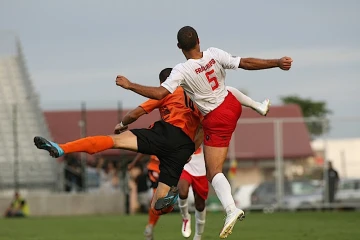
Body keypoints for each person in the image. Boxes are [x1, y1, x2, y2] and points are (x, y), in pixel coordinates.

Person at [115, 26, 292, 238]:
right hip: (232, 105)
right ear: (199, 40)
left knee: (214, 171)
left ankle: (231, 209)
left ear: (179, 47)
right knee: (226, 90)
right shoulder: (214, 53)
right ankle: (257, 106)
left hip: (216, 119)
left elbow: (160, 92)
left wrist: (129, 85)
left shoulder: (181, 70)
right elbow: (245, 62)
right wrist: (277, 62)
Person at [33, 68, 203, 216]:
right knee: (157, 207)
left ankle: (62, 148)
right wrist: (190, 150)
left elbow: (136, 114)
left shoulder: (168, 90)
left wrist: (122, 124)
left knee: (113, 141)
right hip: (183, 148)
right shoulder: (196, 98)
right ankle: (171, 198)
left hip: (167, 133)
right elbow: (203, 128)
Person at [128, 153, 161, 240]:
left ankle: (150, 226)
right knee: (157, 199)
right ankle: (150, 226)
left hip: (170, 168)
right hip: (156, 168)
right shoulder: (154, 139)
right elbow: (144, 149)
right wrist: (134, 163)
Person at [178, 145, 207, 240]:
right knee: (182, 192)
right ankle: (185, 217)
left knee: (200, 205)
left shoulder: (205, 130)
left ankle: (198, 235)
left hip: (201, 167)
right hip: (187, 164)